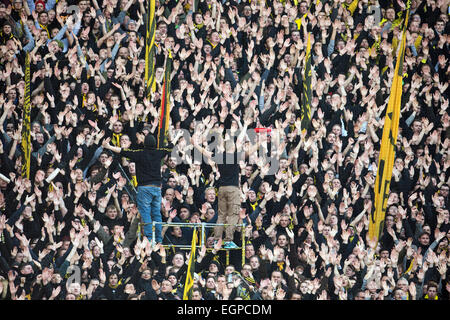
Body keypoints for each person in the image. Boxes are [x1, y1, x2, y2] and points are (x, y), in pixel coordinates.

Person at [102, 134, 171, 244]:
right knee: (156, 214)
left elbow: (122, 151)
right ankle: (158, 240)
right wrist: (176, 137)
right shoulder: (159, 152)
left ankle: (149, 240)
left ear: (145, 144)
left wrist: (109, 147)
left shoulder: (139, 153)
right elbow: (170, 147)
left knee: (146, 213)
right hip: (157, 188)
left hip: (144, 188)